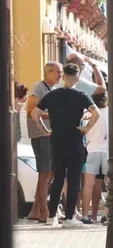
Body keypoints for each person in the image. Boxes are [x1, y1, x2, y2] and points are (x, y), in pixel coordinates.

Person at [31, 63, 100, 226]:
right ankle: (69, 217)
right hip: (75, 140)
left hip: (56, 141)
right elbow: (95, 113)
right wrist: (86, 127)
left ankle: (51, 216)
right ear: (77, 77)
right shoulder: (81, 95)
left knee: (57, 178)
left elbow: (35, 113)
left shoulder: (52, 95)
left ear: (63, 77)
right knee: (74, 179)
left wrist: (45, 129)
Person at [25, 61, 62, 222]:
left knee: (50, 174)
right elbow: (31, 111)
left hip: (50, 136)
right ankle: (45, 213)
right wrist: (53, 115)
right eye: (58, 72)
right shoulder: (39, 87)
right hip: (41, 136)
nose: (60, 75)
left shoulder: (52, 89)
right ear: (48, 73)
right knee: (44, 174)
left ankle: (35, 211)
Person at [81, 92, 108, 224]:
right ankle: (107, 214)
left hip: (91, 151)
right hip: (108, 152)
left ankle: (86, 215)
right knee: (110, 184)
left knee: (88, 185)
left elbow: (83, 131)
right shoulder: (110, 113)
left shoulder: (87, 114)